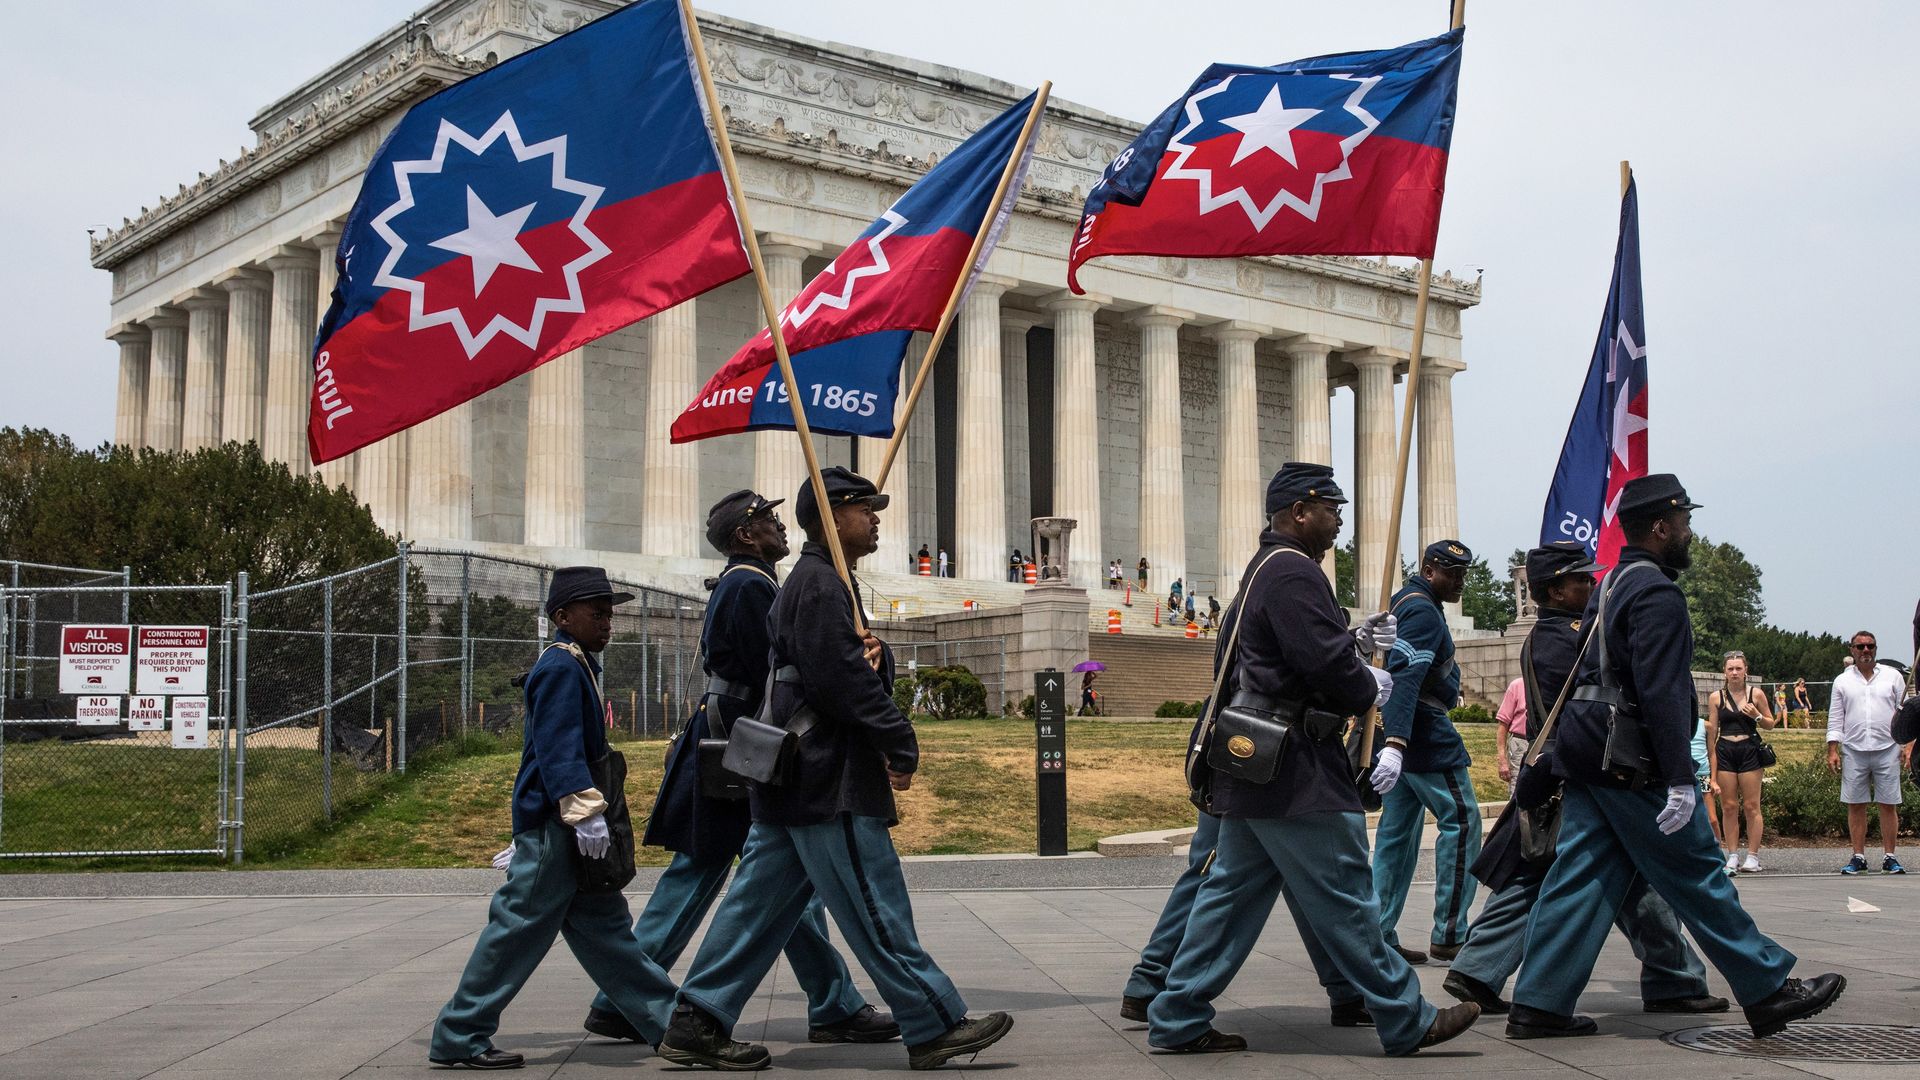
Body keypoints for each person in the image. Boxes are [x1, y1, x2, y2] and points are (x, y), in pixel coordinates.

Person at [659, 468, 1013, 1071]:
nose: (875, 518)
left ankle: (697, 1019)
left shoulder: (819, 582)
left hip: (792, 779)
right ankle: (931, 1021)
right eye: (862, 508)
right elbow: (837, 681)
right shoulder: (821, 584)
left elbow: (841, 663)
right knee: (875, 902)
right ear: (831, 518)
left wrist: (877, 656)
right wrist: (900, 739)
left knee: (755, 910)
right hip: (827, 776)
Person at [1146, 461, 1477, 1057]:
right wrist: (1365, 681)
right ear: (1301, 510)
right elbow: (1317, 664)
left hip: (1259, 766)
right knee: (1349, 893)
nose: (1339, 525)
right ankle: (1406, 1016)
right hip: (1296, 766)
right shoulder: (1295, 573)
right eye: (1333, 512)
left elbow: (1289, 653)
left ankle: (1175, 1014)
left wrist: (1351, 642)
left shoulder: (1266, 569)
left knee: (1229, 898)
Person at [1506, 474, 1845, 1042]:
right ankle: (1765, 987)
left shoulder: (1611, 583)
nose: (1690, 531)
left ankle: (1539, 1002)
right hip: (1632, 762)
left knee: (1580, 877)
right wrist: (1683, 779)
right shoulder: (1657, 593)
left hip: (1591, 753)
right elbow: (1662, 689)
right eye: (1684, 522)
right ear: (1661, 528)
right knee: (1698, 871)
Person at [582, 492, 893, 1047]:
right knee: (731, 876)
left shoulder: (747, 582)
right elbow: (773, 669)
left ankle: (830, 1001)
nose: (779, 527)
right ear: (745, 536)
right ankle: (829, 1003)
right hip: (742, 745)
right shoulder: (751, 585)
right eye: (767, 521)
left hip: (733, 739)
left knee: (763, 879)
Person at [1442, 542, 1724, 1020]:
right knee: (1628, 880)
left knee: (1547, 876)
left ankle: (1478, 968)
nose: (1591, 585)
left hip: (1564, 776)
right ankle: (1671, 978)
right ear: (1554, 589)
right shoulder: (1563, 640)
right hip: (1579, 776)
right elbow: (1591, 708)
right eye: (1580, 580)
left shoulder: (1560, 635)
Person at [429, 567, 680, 1070]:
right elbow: (557, 748)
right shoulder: (562, 667)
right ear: (563, 617)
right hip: (560, 827)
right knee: (517, 928)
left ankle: (672, 1023)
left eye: (610, 613)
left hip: (566, 825)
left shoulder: (574, 663)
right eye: (596, 613)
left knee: (608, 933)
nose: (607, 622)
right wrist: (582, 813)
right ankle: (460, 1032)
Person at [1371, 540, 1480, 965]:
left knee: (1396, 838)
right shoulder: (1421, 610)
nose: (1460, 583)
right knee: (1465, 820)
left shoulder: (1407, 601)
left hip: (1405, 736)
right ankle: (1450, 932)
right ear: (1430, 569)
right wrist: (1397, 742)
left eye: (1463, 574)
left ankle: (1379, 931)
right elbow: (1406, 675)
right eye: (1453, 574)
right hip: (1425, 736)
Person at [1827, 630, 1910, 875]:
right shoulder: (1842, 681)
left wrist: (1907, 744)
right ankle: (1858, 856)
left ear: (1876, 648)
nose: (1866, 651)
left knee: (1888, 803)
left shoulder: (1893, 677)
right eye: (1860, 647)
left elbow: (1906, 713)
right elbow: (1835, 716)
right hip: (1854, 749)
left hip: (1887, 748)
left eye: (1870, 646)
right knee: (1855, 803)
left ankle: (1890, 856)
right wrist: (1833, 748)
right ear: (1851, 649)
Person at [1711, 651, 1776, 874]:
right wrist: (1710, 761)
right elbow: (1712, 731)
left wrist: (1757, 715)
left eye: (1739, 668)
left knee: (1751, 805)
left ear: (1745, 670)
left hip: (1749, 750)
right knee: (1729, 806)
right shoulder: (1716, 697)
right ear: (1725, 672)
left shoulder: (1755, 694)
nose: (1735, 672)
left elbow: (1770, 724)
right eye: (1731, 669)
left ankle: (1753, 856)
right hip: (1725, 750)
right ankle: (1732, 855)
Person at [1494, 676, 1527, 794]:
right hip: (1521, 744)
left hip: (1547, 743)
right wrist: (1502, 760)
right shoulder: (1517, 685)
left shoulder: (1552, 684)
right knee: (1518, 792)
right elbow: (1503, 726)